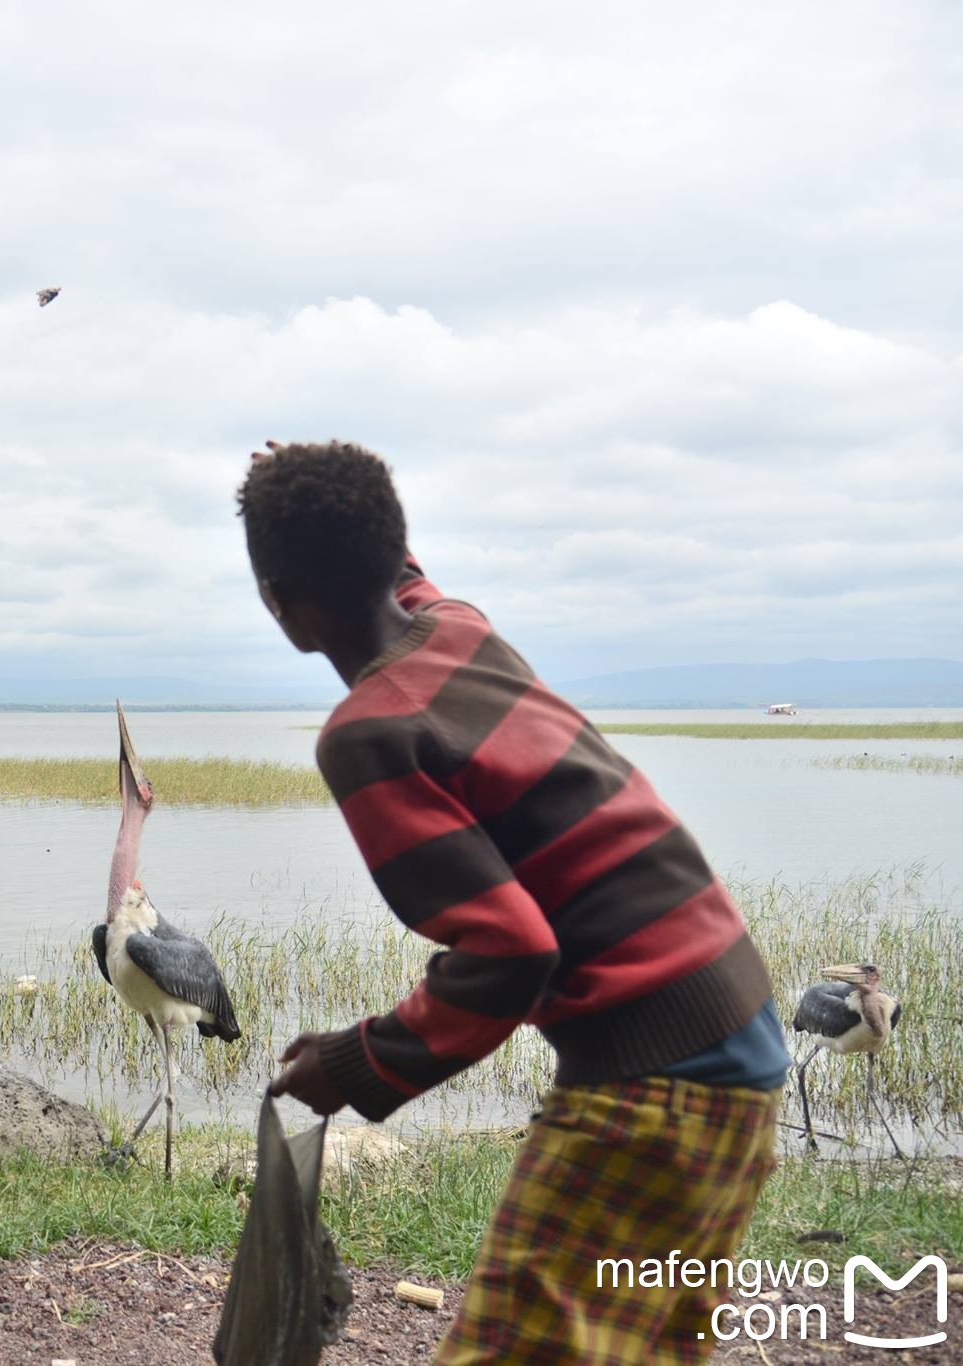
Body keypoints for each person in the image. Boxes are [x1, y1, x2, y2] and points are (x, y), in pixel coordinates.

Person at [240, 440, 787, 1363]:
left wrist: (359, 1063)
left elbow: (511, 951)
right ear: (394, 551)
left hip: (653, 1079)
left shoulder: (369, 734)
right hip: (734, 1025)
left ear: (281, 608)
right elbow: (400, 579)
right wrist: (314, 497)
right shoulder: (460, 629)